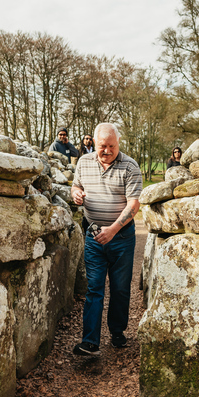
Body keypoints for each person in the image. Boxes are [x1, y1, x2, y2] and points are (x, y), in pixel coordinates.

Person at [71, 123, 142, 356]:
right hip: (93, 237)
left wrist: (112, 229)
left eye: (112, 146)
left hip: (121, 237)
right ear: (94, 142)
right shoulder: (83, 162)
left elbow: (133, 204)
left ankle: (117, 331)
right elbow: (76, 185)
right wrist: (76, 194)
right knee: (94, 288)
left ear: (118, 143)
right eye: (103, 146)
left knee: (120, 288)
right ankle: (90, 341)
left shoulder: (130, 166)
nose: (107, 150)